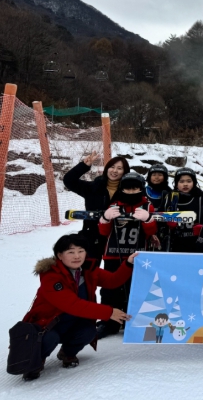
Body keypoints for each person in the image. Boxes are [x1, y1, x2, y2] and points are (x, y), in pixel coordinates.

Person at [20, 234, 137, 381]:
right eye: (71, 252)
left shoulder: (87, 270)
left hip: (71, 322)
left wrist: (129, 264)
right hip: (47, 324)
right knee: (50, 338)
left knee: (88, 332)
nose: (77, 256)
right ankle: (36, 360)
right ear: (59, 256)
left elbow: (113, 281)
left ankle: (67, 352)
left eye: (81, 251)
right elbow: (73, 304)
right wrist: (109, 312)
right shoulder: (51, 276)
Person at [96, 172, 158, 338]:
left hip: (137, 255)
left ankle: (133, 321)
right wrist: (105, 219)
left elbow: (151, 232)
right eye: (128, 189)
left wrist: (148, 219)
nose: (131, 192)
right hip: (113, 254)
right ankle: (109, 322)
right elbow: (103, 232)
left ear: (141, 189)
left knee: (134, 288)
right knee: (110, 290)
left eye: (135, 188)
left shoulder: (147, 206)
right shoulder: (115, 205)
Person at [62, 152, 131, 259]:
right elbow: (69, 180)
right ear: (107, 168)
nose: (115, 171)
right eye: (112, 167)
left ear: (125, 171)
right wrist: (84, 166)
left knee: (113, 268)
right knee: (90, 268)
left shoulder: (130, 191)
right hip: (92, 236)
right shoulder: (93, 187)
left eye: (119, 168)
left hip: (118, 237)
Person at [162, 168, 203, 253]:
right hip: (174, 243)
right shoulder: (170, 198)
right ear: (176, 183)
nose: (185, 184)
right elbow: (158, 217)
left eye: (189, 181)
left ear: (194, 182)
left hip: (195, 243)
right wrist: (167, 220)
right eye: (181, 181)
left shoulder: (200, 198)